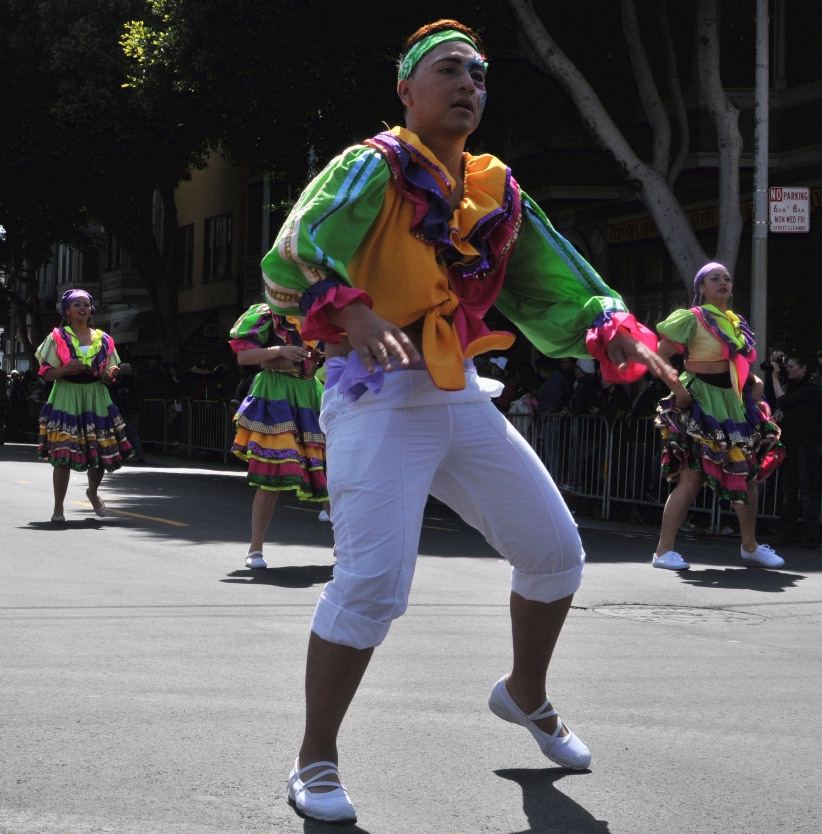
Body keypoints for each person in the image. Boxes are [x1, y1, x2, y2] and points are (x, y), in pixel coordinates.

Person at [258, 21, 678, 823]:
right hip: (377, 398)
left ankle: (524, 692)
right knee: (374, 584)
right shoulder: (372, 166)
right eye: (450, 71)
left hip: (458, 393)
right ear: (406, 91)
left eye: (480, 77)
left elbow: (558, 276)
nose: (469, 85)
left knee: (556, 555)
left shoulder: (497, 187)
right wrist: (347, 313)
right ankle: (314, 759)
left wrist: (609, 325)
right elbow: (293, 252)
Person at [652, 263, 784, 571]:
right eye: (715, 278)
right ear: (701, 287)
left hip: (732, 405)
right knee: (692, 478)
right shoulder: (691, 318)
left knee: (746, 477)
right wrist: (678, 391)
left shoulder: (735, 322)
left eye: (727, 278)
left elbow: (734, 363)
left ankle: (750, 547)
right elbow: (659, 356)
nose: (723, 282)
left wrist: (755, 382)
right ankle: (663, 551)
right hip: (700, 401)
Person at [229, 303, 330, 568]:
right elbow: (244, 357)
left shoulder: (321, 311)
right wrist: (280, 350)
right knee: (272, 474)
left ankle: (346, 547)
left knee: (325, 475)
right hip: (276, 394)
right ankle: (255, 549)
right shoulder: (266, 314)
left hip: (309, 393)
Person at [36, 289, 129, 522]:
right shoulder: (57, 338)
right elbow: (47, 375)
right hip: (67, 395)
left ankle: (93, 492)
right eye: (77, 304)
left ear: (91, 310)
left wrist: (111, 374)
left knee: (97, 451)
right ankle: (58, 508)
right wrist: (66, 369)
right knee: (63, 453)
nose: (82, 308)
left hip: (96, 397)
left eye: (86, 304)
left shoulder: (104, 339)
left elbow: (108, 376)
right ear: (67, 310)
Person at [771, 349, 821, 548]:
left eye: (792, 367)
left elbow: (785, 402)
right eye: (787, 367)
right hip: (792, 443)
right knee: (789, 491)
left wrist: (775, 378)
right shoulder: (794, 384)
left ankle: (810, 537)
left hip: (808, 445)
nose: (788, 370)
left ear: (803, 368)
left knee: (808, 492)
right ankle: (787, 535)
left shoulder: (812, 387)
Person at [109, 362, 146, 463]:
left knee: (117, 434)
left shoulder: (115, 384)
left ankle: (118, 454)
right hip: (132, 412)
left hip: (118, 412)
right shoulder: (135, 383)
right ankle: (139, 455)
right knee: (134, 434)